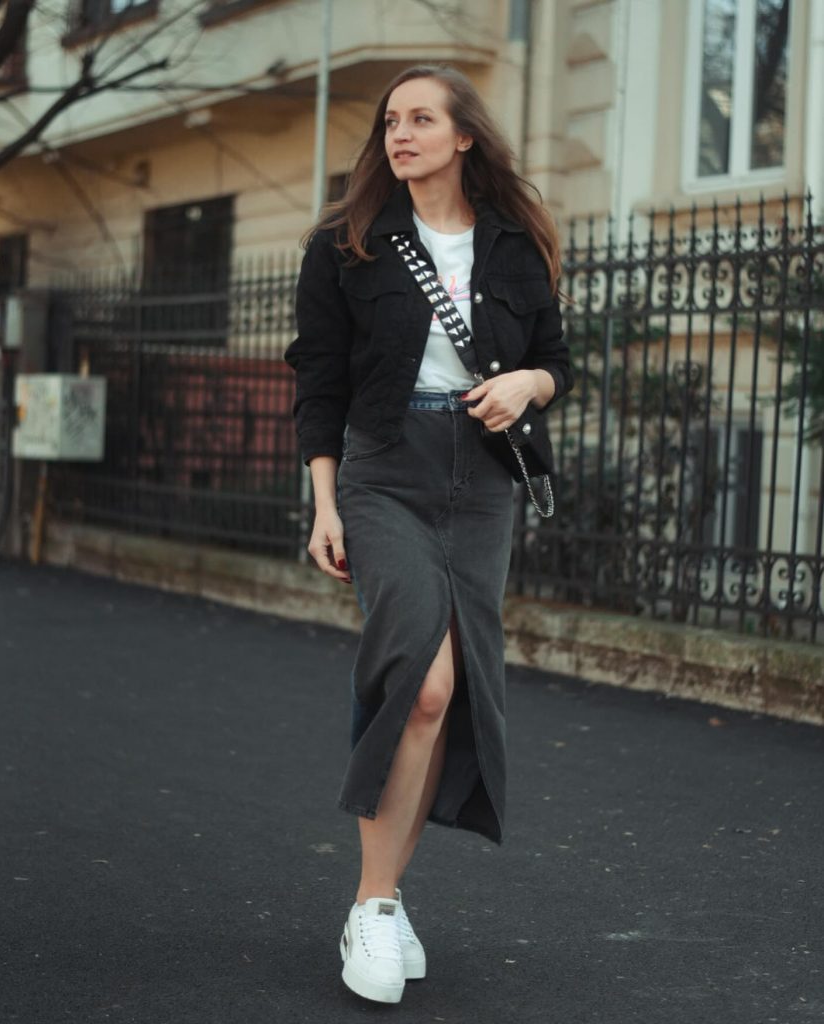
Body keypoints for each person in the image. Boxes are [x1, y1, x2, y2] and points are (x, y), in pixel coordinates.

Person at [284, 63, 573, 1004]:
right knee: (421, 677)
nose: (399, 133)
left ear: (462, 137)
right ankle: (370, 908)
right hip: (385, 469)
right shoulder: (346, 244)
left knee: (447, 700)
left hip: (483, 478)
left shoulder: (514, 243)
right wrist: (324, 503)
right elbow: (318, 381)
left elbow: (555, 362)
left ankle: (384, 898)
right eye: (390, 120)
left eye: (420, 118)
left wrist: (528, 385)